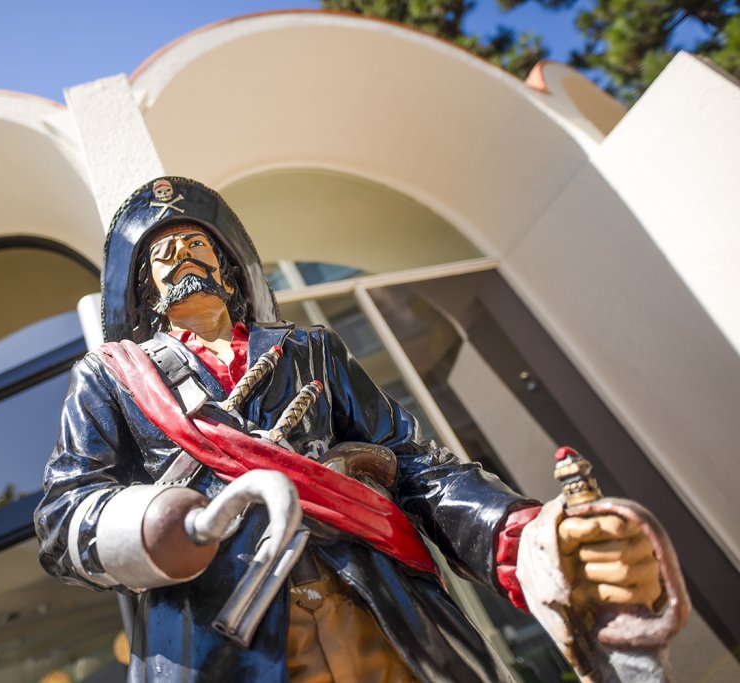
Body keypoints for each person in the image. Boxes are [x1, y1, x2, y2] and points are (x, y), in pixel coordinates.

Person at [34, 177, 666, 682]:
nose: (182, 260)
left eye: (196, 246)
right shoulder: (111, 378)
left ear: (227, 269)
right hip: (220, 642)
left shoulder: (311, 350)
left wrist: (516, 535)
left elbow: (413, 463)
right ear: (145, 291)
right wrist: (158, 526)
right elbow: (63, 520)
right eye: (163, 256)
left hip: (377, 609)